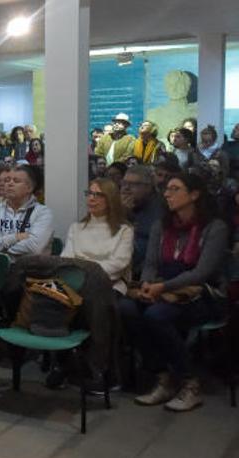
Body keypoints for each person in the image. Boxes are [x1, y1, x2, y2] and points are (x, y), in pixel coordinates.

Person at [119, 173, 229, 412]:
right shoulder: (163, 225)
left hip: (201, 294)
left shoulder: (214, 227)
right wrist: (148, 284)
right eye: (166, 189)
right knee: (127, 308)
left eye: (175, 189)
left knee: (156, 316)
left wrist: (163, 288)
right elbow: (150, 263)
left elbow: (201, 273)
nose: (167, 194)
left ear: (194, 194)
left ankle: (189, 382)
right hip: (163, 289)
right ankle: (163, 376)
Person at [62, 179, 134, 294]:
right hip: (76, 283)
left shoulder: (124, 230)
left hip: (109, 285)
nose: (91, 198)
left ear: (110, 200)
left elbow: (118, 264)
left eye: (98, 195)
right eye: (89, 193)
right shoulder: (76, 228)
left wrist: (85, 271)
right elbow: (66, 259)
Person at [0, 166, 54, 257]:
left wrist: (2, 250)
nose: (9, 184)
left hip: (30, 268)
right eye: (7, 180)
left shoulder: (43, 213)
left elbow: (34, 248)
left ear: (29, 188)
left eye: (16, 181)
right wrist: (16, 237)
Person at [121, 165, 165, 278]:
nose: (126, 188)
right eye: (124, 183)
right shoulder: (117, 206)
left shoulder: (160, 210)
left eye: (133, 184)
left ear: (148, 187)